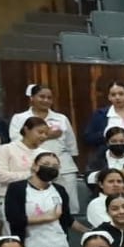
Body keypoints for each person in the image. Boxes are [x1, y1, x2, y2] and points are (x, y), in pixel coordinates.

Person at [5, 151, 83, 247]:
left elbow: (67, 219)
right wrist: (47, 217)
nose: (51, 168)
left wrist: (88, 231)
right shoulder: (17, 188)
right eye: (46, 164)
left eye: (55, 166)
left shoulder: (59, 190)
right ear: (35, 166)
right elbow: (14, 219)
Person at [10, 84, 81, 212]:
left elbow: (71, 144)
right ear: (32, 98)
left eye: (49, 97)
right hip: (33, 166)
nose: (46, 100)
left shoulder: (61, 118)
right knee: (38, 204)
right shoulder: (20, 118)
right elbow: (16, 141)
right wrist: (47, 135)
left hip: (63, 166)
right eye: (42, 97)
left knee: (70, 205)